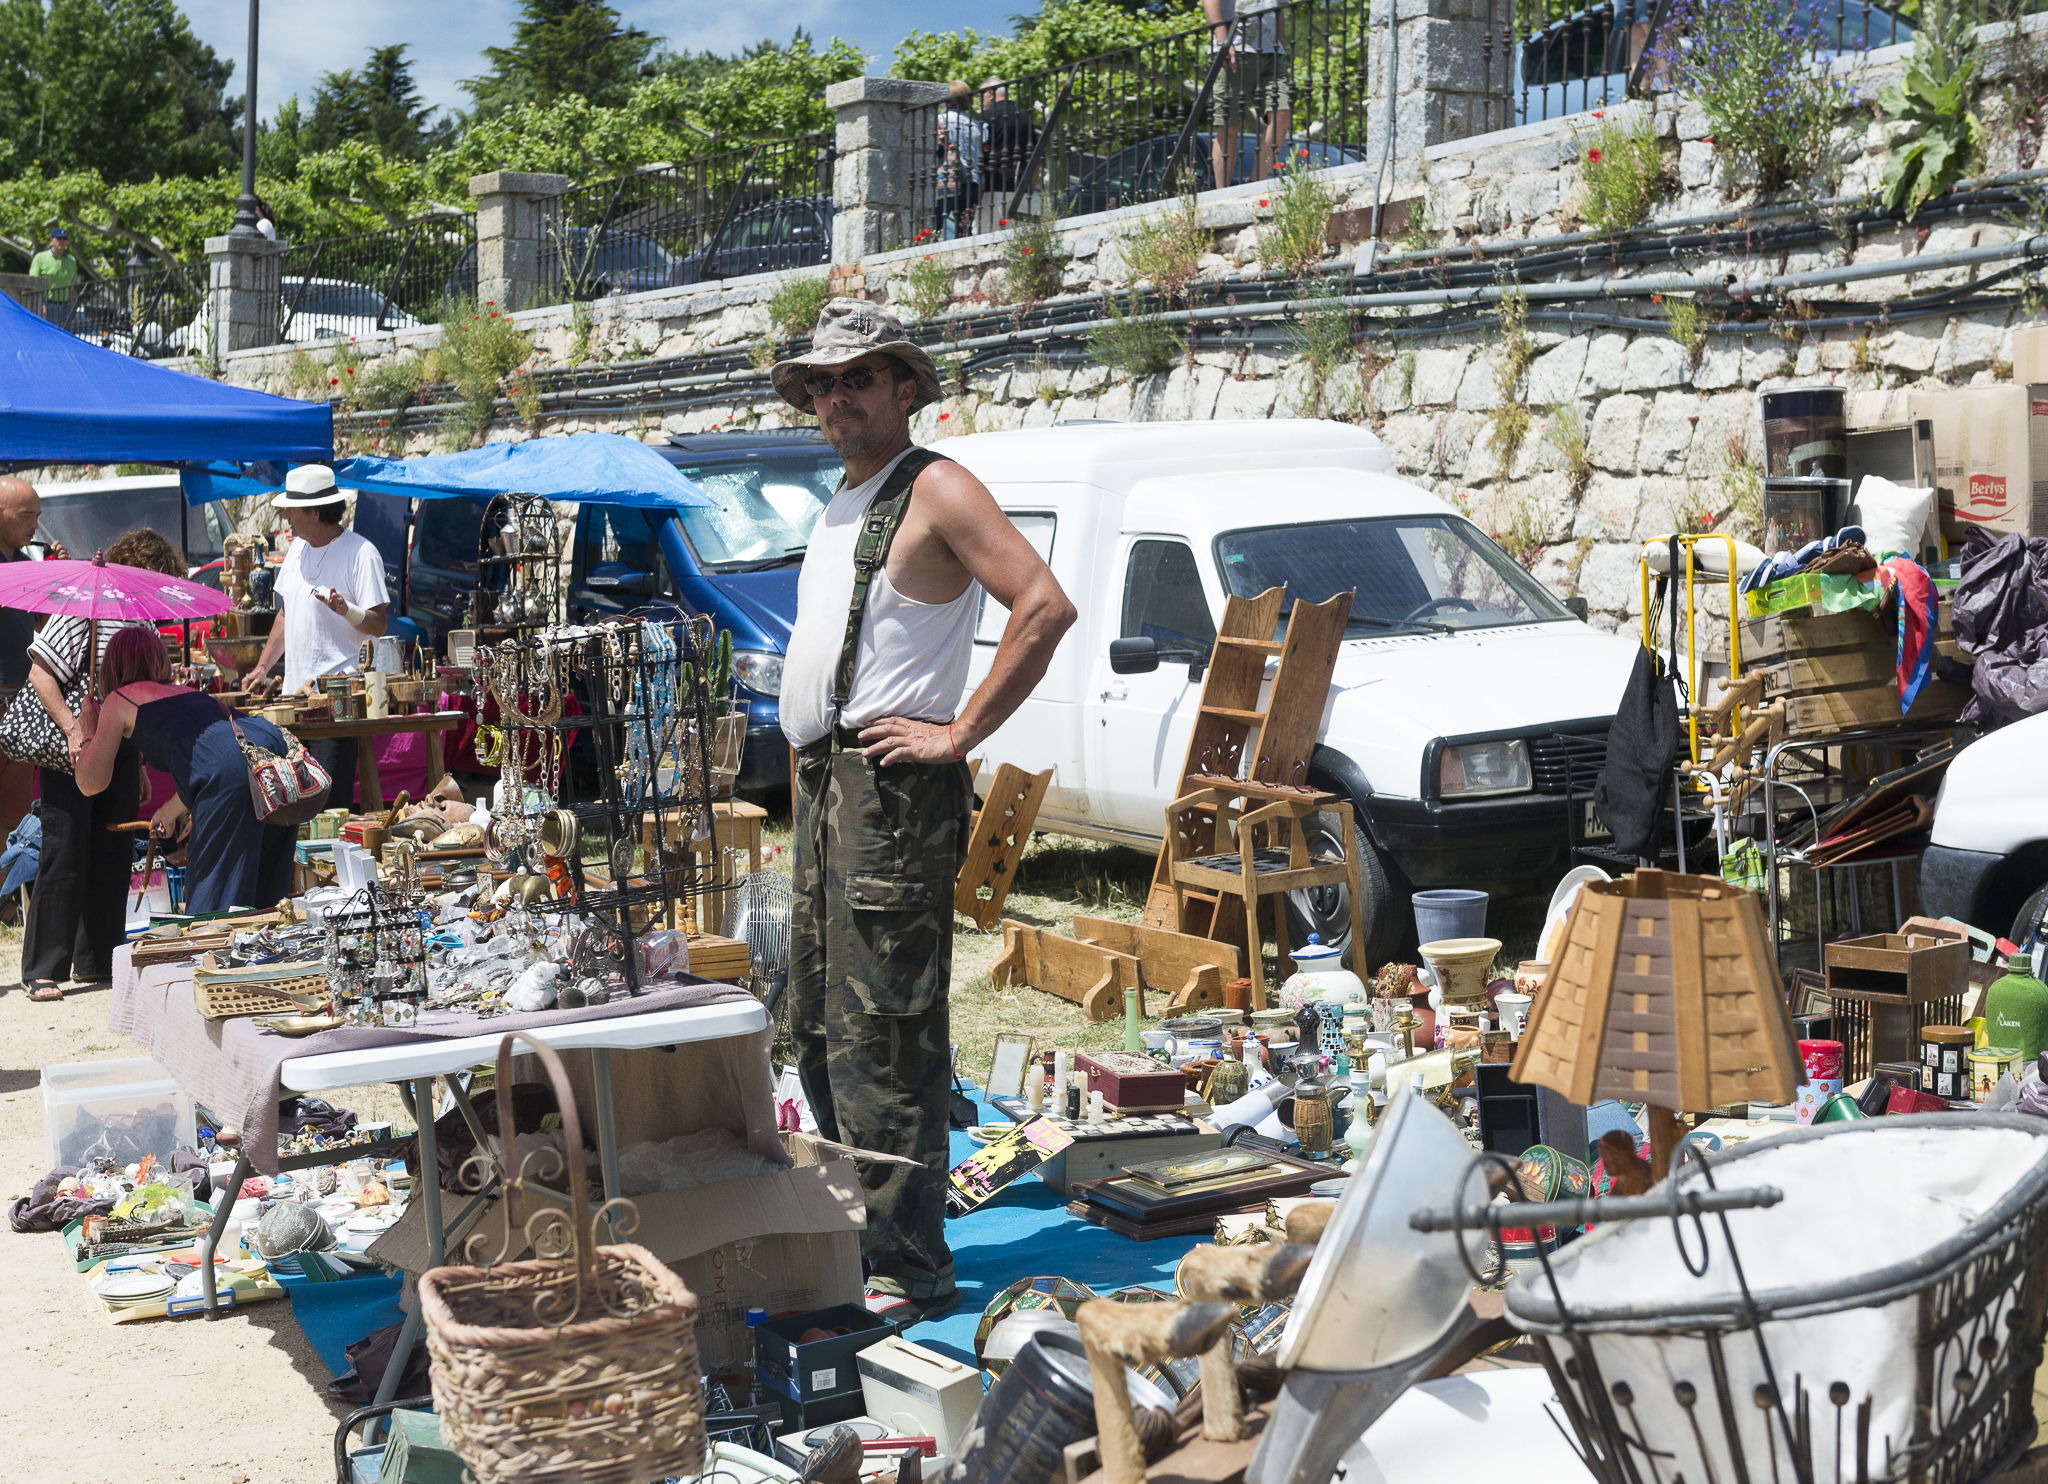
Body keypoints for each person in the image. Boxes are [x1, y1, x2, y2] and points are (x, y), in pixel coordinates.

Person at [771, 299, 1074, 1323]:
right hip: (826, 786)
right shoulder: (844, 497)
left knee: (883, 1036)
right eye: (821, 382)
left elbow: (1043, 604)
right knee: (812, 1021)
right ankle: (866, 1232)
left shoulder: (936, 486)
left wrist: (957, 734)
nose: (835, 395)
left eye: (856, 375)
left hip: (889, 793)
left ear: (905, 387)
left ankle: (909, 1263)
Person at [17, 527, 183, 1000]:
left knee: (113, 849)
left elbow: (141, 697)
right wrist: (73, 727)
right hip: (78, 741)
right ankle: (45, 967)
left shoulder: (143, 622)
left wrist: (140, 764)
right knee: (65, 849)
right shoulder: (81, 612)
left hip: (121, 744)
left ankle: (99, 958)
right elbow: (40, 671)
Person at [74, 627, 295, 915]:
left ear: (112, 666)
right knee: (265, 903)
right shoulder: (189, 693)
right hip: (272, 760)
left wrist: (88, 731)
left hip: (242, 770)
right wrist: (171, 809)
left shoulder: (120, 699)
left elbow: (91, 782)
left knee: (213, 911)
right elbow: (219, 753)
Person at [248, 464, 390, 809]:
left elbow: (379, 624)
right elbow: (286, 612)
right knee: (291, 804)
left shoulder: (361, 553)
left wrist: (347, 611)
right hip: (293, 702)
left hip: (334, 704)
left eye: (291, 509)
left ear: (314, 512)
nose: (286, 517)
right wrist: (263, 667)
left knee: (326, 808)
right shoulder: (297, 549)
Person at [0, 478, 66, 861]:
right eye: (26, 515)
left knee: (15, 813)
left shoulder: (27, 567)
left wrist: (60, 577)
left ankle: (8, 896)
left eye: (38, 516)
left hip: (19, 704)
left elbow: (47, 624)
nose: (34, 526)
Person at [1205, 0, 1292, 189]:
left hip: (1272, 54)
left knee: (1281, 114)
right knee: (1229, 125)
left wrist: (1279, 45)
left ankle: (1256, 184)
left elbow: (1278, 10)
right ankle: (1223, 193)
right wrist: (1223, 41)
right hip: (1235, 49)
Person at [977, 78, 1038, 226]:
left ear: (990, 93)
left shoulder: (986, 117)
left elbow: (978, 153)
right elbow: (1036, 158)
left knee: (989, 236)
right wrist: (1030, 187)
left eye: (981, 95)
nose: (980, 101)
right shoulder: (1024, 118)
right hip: (1021, 186)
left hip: (992, 188)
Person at [934, 81, 988, 241]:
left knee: (934, 226)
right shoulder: (976, 124)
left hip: (947, 180)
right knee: (964, 232)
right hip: (974, 182)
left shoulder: (940, 120)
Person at [28, 227, 79, 329]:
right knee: (46, 334)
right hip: (47, 305)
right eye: (59, 238)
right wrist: (40, 305)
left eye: (64, 239)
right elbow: (33, 284)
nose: (62, 241)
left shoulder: (72, 261)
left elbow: (72, 285)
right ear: (51, 240)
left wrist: (74, 306)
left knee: (64, 337)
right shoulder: (40, 257)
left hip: (66, 307)